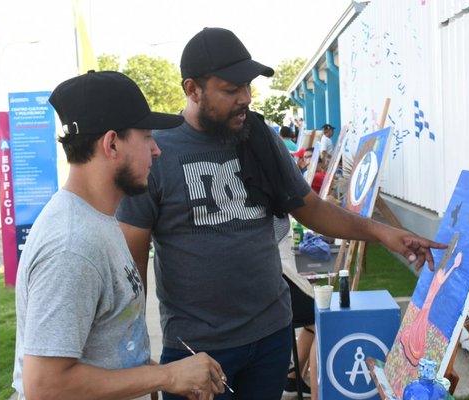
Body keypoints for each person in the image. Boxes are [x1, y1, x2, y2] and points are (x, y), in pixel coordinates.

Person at [116, 27, 446, 399]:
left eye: (248, 86)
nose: (245, 98)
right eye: (230, 90)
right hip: (197, 352)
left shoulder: (258, 136)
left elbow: (311, 208)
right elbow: (133, 261)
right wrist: (137, 357)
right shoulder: (155, 152)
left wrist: (384, 233)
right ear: (192, 89)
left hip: (270, 337)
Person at [12, 71, 226, 400]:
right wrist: (167, 375)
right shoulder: (71, 246)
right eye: (146, 137)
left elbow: (107, 348)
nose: (156, 150)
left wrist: (157, 376)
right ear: (112, 144)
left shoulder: (97, 219)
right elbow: (45, 386)